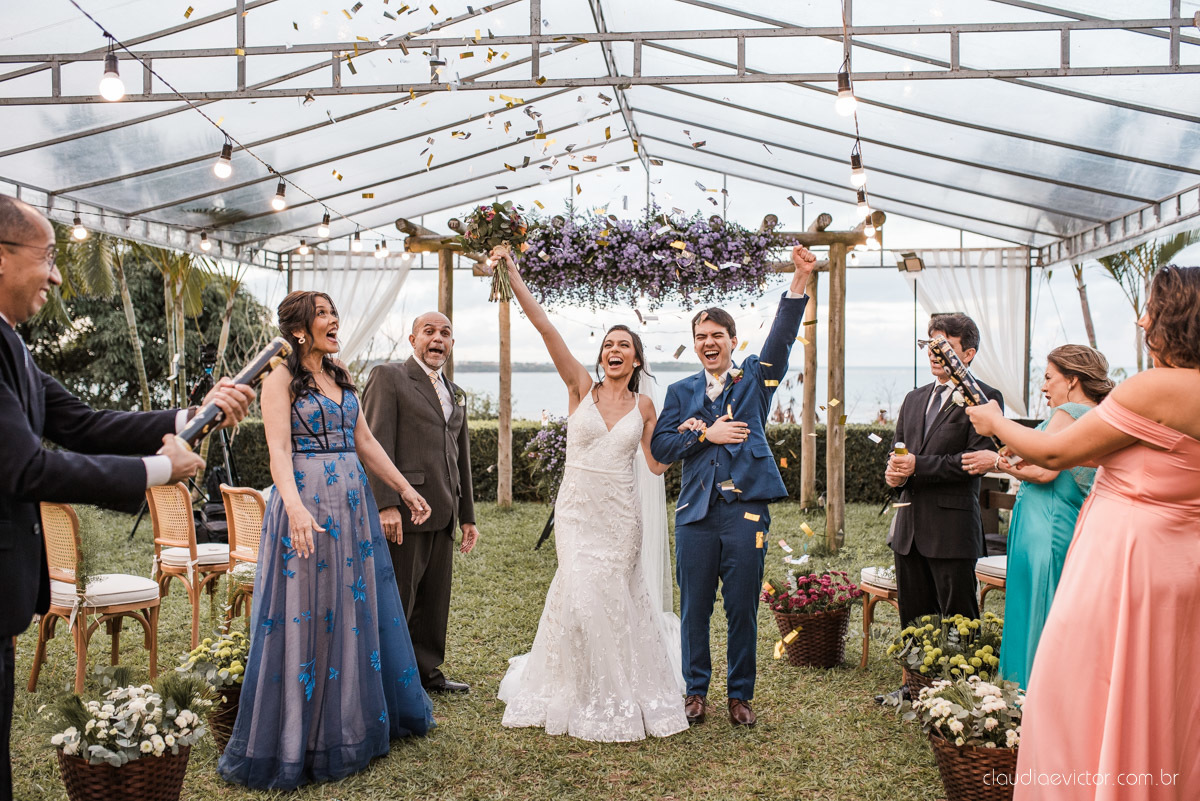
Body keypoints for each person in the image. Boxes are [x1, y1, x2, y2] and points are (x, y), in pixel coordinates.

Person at [0, 196, 254, 801]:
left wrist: (194, 417)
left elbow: (84, 424)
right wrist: (161, 467)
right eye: (49, 258)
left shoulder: (10, 344)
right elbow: (25, 467)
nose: (58, 275)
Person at [966, 266, 1200, 801]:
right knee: (1165, 697)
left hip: (1126, 569)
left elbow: (1054, 453)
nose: (1142, 319)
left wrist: (996, 421)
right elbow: (1116, 450)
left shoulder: (1156, 387)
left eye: (1153, 309)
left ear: (1180, 318)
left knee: (1077, 692)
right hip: (1181, 569)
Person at [218, 291, 434, 790]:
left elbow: (366, 442)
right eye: (322, 314)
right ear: (299, 330)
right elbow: (277, 450)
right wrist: (292, 507)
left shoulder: (340, 377)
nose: (334, 320)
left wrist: (404, 489)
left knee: (351, 608)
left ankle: (353, 722)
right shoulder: (280, 380)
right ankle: (304, 736)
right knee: (307, 611)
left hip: (353, 505)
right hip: (307, 504)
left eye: (334, 311)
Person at [492, 243, 689, 742]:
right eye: (608, 344)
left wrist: (692, 433)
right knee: (580, 594)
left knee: (614, 601)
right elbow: (546, 328)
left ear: (637, 358)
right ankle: (576, 687)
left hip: (621, 517)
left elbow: (655, 463)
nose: (614, 350)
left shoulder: (646, 406)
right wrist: (513, 275)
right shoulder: (579, 386)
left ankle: (619, 688)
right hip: (577, 513)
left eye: (624, 345)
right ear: (602, 355)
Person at [651, 245, 817, 728]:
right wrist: (706, 431)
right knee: (695, 608)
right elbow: (662, 447)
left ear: (731, 340)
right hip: (695, 515)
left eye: (716, 336)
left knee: (742, 607)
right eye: (701, 336)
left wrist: (799, 280)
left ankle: (740, 695)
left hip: (746, 510)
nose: (708, 343)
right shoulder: (680, 392)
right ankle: (695, 692)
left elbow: (782, 340)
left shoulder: (753, 382)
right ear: (695, 343)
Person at [876, 314, 1002, 705]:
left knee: (958, 617)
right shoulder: (914, 398)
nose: (934, 355)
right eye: (929, 345)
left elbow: (974, 460)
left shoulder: (985, 398)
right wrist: (894, 473)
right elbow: (899, 451)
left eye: (943, 347)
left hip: (952, 528)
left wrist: (919, 465)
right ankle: (915, 688)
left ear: (968, 353)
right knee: (914, 617)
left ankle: (962, 693)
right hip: (909, 526)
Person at [980, 345, 1112, 689]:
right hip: (1063, 521)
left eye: (1049, 377)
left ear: (1072, 380)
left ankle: (1026, 694)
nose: (1043, 386)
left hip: (1045, 523)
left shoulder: (1068, 412)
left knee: (1035, 609)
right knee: (1054, 609)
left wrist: (1003, 464)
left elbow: (1044, 471)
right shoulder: (1099, 414)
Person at [362, 311, 480, 694]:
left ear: (452, 343)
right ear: (412, 339)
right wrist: (385, 504)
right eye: (429, 331)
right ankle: (390, 680)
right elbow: (374, 443)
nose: (437, 338)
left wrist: (467, 515)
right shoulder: (389, 376)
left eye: (445, 332)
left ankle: (427, 674)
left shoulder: (453, 390)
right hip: (405, 510)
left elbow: (460, 458)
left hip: (443, 512)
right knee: (398, 598)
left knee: (433, 602)